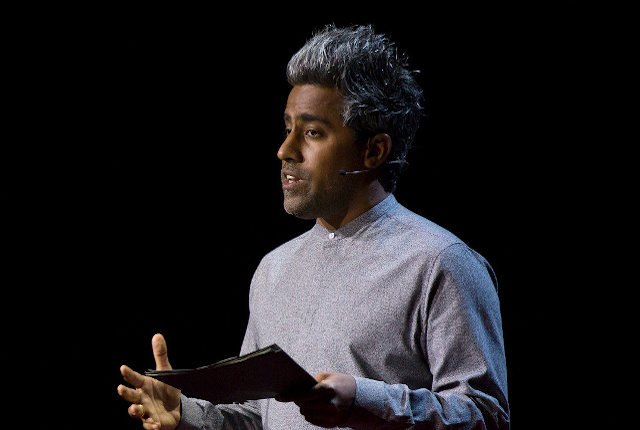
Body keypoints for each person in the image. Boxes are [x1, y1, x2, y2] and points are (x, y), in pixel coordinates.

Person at [117, 25, 510, 429]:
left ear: (374, 150)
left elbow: (487, 417)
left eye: (312, 133)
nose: (285, 150)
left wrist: (363, 401)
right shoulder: (273, 269)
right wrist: (187, 415)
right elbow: (261, 417)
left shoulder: (441, 263)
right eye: (287, 129)